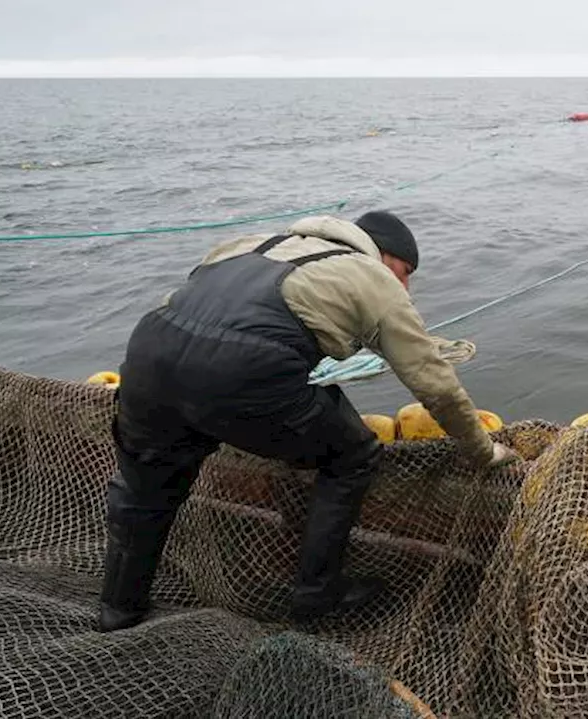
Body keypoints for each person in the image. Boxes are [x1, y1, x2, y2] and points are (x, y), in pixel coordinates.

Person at [99, 210, 518, 632]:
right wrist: (482, 451)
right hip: (245, 368)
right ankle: (318, 592)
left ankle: (118, 610)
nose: (404, 285)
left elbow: (208, 314)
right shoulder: (372, 277)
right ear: (382, 253)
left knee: (145, 490)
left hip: (149, 354)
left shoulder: (249, 244)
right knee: (353, 455)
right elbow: (436, 386)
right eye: (404, 271)